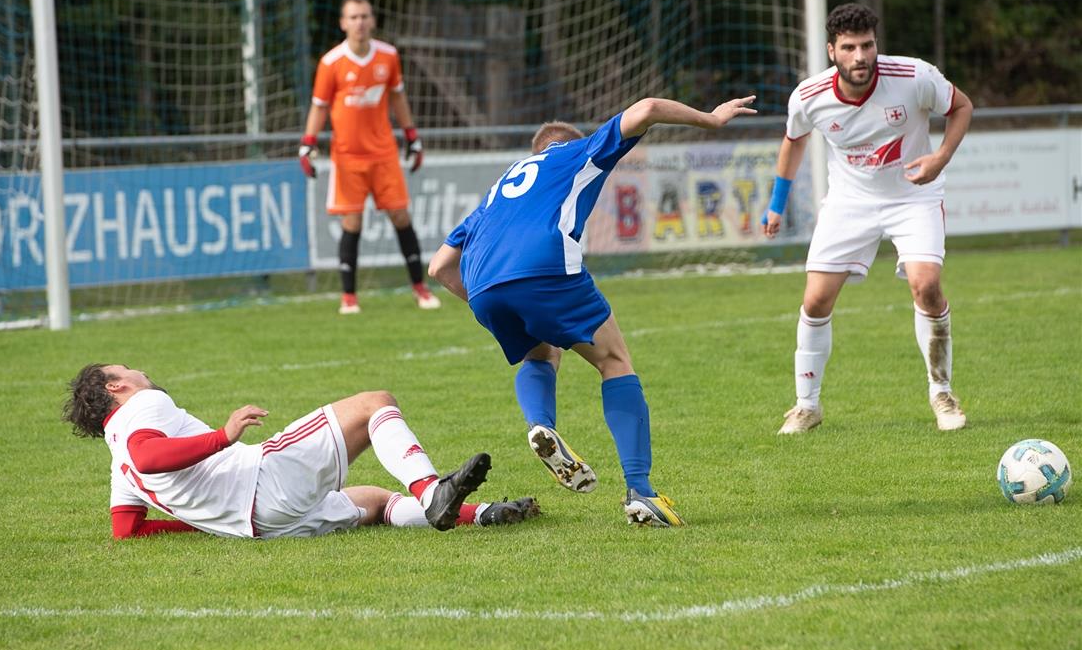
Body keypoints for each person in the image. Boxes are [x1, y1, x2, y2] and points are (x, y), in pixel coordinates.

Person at [428, 94, 758, 527]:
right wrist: (711, 120)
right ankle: (641, 490)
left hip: (484, 282)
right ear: (565, 144)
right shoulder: (578, 151)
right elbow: (648, 108)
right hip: (543, 265)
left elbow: (439, 266)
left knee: (540, 352)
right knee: (614, 360)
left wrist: (491, 302)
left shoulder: (499, 189)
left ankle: (539, 424)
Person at [761, 3, 974, 434]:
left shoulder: (913, 76)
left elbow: (962, 107)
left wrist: (939, 158)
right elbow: (793, 142)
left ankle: (942, 393)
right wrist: (776, 203)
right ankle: (807, 406)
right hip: (849, 202)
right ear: (832, 51)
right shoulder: (809, 96)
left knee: (926, 286)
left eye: (868, 45)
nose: (861, 56)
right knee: (816, 300)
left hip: (914, 196)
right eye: (850, 47)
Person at [62, 363, 539, 539]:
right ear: (117, 385)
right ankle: (432, 491)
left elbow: (125, 529)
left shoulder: (116, 461)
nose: (145, 373)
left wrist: (197, 522)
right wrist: (223, 436)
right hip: (263, 478)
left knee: (371, 501)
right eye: (132, 370)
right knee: (376, 404)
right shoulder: (144, 403)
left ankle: (482, 514)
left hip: (264, 527)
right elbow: (151, 455)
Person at [299, 0, 441, 315]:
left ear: (373, 20)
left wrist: (412, 136)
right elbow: (319, 106)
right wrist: (307, 142)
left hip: (383, 154)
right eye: (353, 17)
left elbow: (398, 99)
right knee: (352, 221)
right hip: (347, 156)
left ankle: (421, 289)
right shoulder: (330, 63)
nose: (359, 23)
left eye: (364, 16)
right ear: (343, 23)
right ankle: (349, 297)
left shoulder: (388, 57)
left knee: (401, 216)